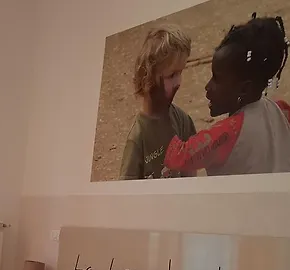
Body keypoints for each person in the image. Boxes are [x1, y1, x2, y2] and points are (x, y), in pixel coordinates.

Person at [163, 14, 290, 176]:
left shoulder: (227, 133)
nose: (208, 86)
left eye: (216, 79)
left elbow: (177, 158)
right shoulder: (280, 110)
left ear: (244, 89)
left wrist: (160, 112)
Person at [119, 25, 197, 180]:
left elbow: (190, 172)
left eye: (180, 73)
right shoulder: (138, 140)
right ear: (148, 79)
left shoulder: (182, 121)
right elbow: (126, 191)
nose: (179, 82)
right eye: (172, 75)